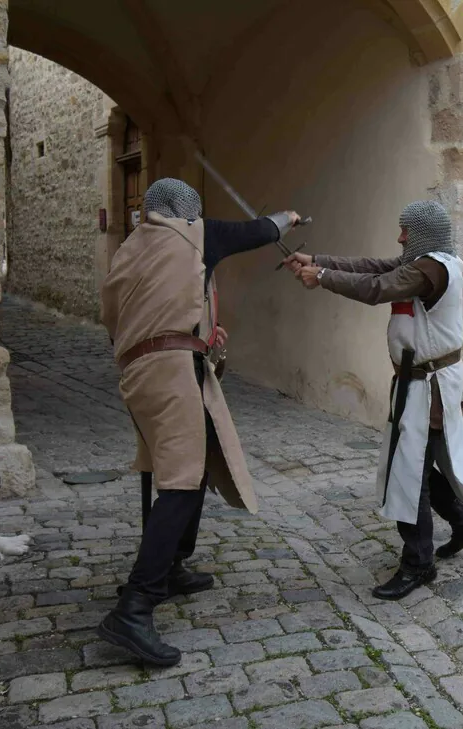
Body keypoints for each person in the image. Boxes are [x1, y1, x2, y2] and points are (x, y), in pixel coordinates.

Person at [99, 177, 300, 664]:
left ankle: (172, 567)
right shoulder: (194, 235)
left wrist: (194, 333)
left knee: (188, 463)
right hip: (169, 374)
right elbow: (257, 230)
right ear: (183, 210)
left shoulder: (130, 249)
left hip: (146, 370)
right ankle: (135, 607)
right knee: (182, 482)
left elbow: (116, 315)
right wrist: (290, 219)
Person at [284, 200, 463, 601]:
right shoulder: (425, 261)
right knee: (416, 464)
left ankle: (418, 563)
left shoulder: (432, 267)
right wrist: (318, 260)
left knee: (408, 472)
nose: (400, 237)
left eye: (405, 231)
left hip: (427, 386)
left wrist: (322, 276)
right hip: (415, 384)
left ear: (423, 232)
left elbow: (379, 288)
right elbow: (376, 268)